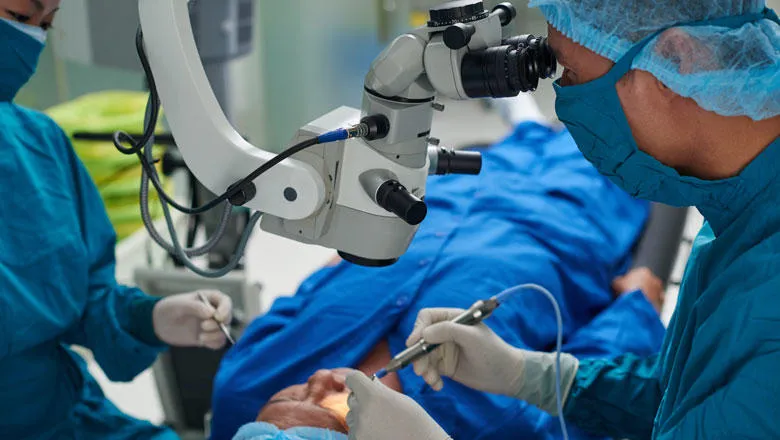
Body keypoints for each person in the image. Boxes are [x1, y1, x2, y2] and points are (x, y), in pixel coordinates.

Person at [346, 1, 780, 439]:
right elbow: (690, 396)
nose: (568, 103)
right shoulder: (741, 202)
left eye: (569, 73)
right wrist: (532, 376)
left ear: (677, 59)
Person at [209, 118, 667, 440]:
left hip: (439, 205)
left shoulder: (244, 388)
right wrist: (637, 308)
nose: (322, 378)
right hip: (559, 222)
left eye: (293, 393)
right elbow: (584, 392)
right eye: (330, 411)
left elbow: (295, 306)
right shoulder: (492, 426)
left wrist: (341, 260)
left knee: (519, 140)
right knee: (607, 134)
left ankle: (525, 123)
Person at [0, 1, 234, 438]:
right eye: (17, 18)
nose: (29, 38)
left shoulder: (39, 142)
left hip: (65, 415)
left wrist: (152, 317)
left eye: (46, 24)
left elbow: (85, 297)